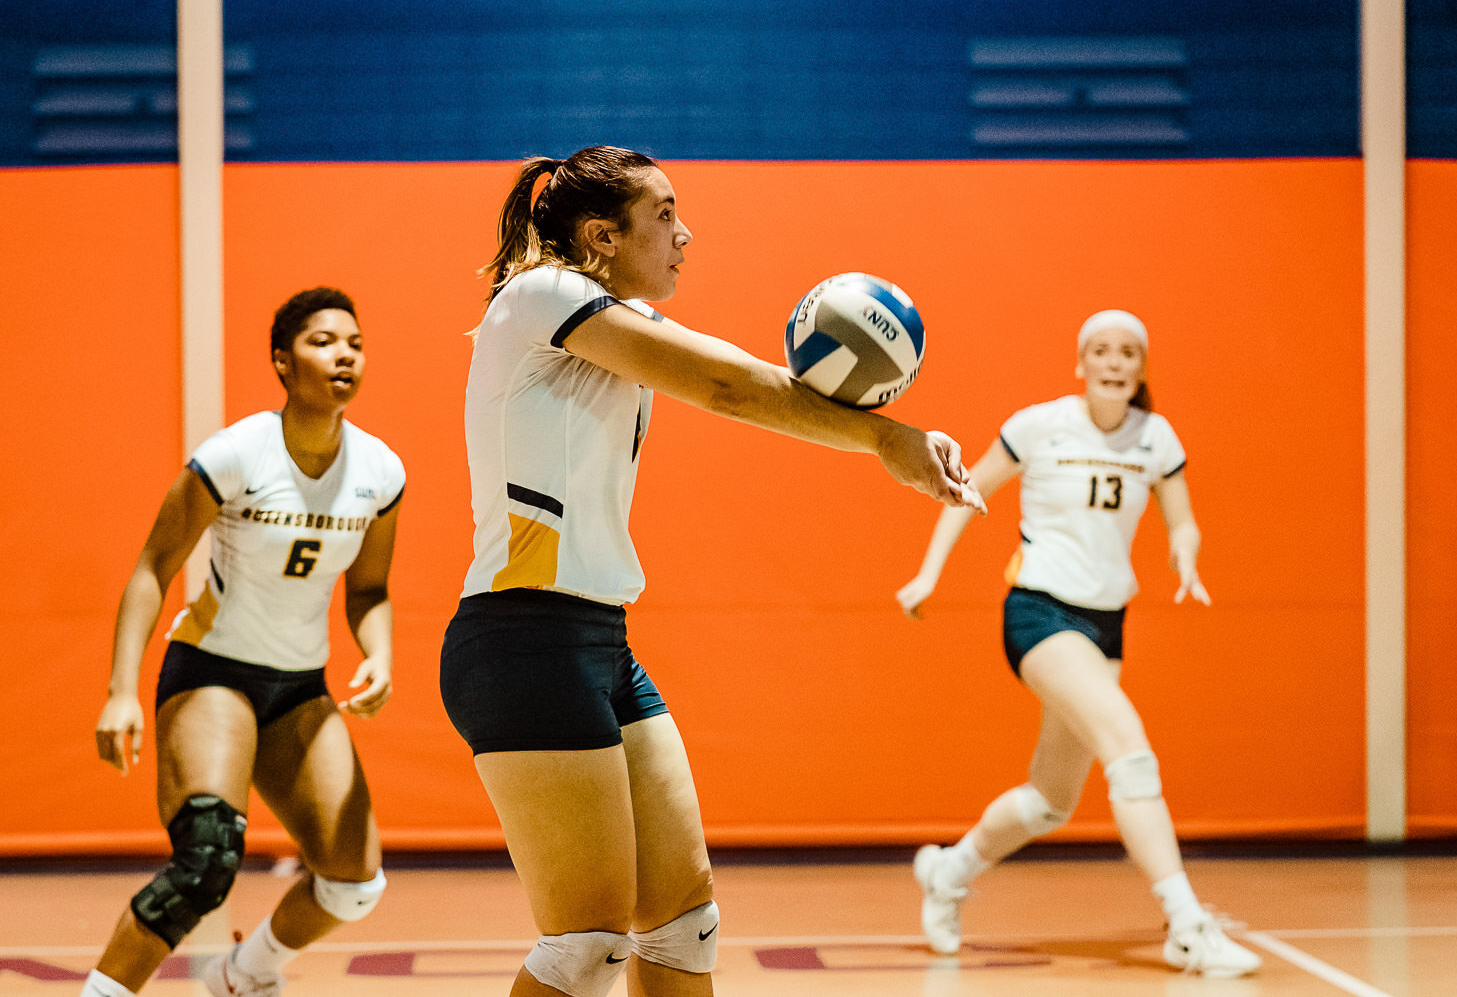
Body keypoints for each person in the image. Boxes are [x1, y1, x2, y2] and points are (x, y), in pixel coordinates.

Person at [439, 145, 984, 997]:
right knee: (586, 947)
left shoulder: (601, 317)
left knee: (683, 927)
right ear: (599, 236)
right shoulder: (545, 295)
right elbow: (726, 387)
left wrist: (890, 433)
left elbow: (741, 380)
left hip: (598, 639)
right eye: (663, 213)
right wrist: (883, 437)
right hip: (522, 640)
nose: (685, 234)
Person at [897, 309, 1261, 978]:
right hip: (1039, 613)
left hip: (1105, 624)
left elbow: (1182, 520)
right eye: (1102, 351)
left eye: (1128, 352)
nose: (1115, 362)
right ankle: (1186, 925)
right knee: (1131, 750)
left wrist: (1186, 556)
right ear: (1082, 363)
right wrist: (928, 573)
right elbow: (964, 491)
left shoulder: (1155, 437)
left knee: (1050, 801)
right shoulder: (1041, 426)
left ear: (1140, 367)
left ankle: (948, 872)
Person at [83, 287, 405, 997]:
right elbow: (151, 570)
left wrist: (378, 654)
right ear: (282, 363)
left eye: (354, 341)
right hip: (213, 672)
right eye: (323, 341)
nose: (344, 353)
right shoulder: (234, 455)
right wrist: (119, 692)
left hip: (299, 685)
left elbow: (369, 590)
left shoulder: (381, 472)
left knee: (355, 882)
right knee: (206, 864)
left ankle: (244, 974)